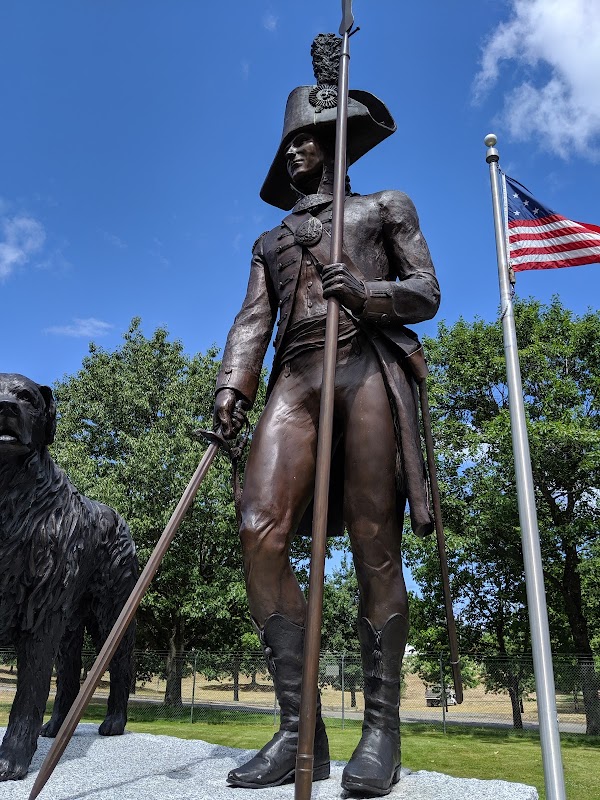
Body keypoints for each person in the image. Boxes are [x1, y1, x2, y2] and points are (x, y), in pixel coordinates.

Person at [214, 34, 440, 796]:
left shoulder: (386, 206)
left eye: (307, 142)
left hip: (367, 364)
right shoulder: (270, 240)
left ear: (335, 146)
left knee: (377, 539)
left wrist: (369, 295)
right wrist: (230, 394)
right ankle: (297, 729)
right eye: (288, 148)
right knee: (258, 528)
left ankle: (382, 730)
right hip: (296, 376)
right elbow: (252, 323)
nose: (294, 156)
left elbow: (427, 293)